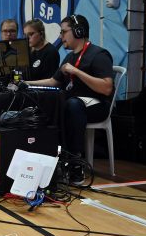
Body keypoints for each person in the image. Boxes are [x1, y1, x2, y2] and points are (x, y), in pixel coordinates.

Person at [25, 14, 114, 184]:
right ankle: (51, 159)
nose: (61, 36)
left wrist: (76, 72)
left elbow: (106, 87)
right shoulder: (70, 57)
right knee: (53, 104)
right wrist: (26, 83)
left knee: (72, 105)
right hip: (74, 104)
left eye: (64, 32)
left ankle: (75, 164)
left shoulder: (99, 54)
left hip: (97, 105)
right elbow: (53, 81)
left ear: (78, 32)